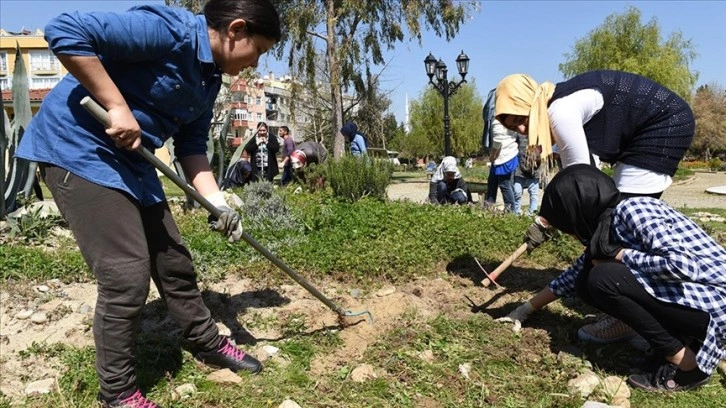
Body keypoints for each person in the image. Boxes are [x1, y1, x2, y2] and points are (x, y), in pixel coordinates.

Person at [14, 1, 281, 406]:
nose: (255, 63)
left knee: (174, 262)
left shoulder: (208, 79)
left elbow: (192, 146)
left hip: (134, 162)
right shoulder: (167, 31)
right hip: (78, 151)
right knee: (125, 276)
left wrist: (217, 203)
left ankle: (205, 341)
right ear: (236, 30)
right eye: (258, 50)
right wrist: (117, 105)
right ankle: (118, 393)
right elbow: (64, 29)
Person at [496, 70, 695, 343]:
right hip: (652, 127)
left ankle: (632, 318)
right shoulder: (558, 103)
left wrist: (555, 222)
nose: (520, 130)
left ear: (531, 104)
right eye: (512, 127)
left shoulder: (560, 112)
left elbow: (585, 185)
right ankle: (630, 300)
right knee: (610, 236)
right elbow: (582, 184)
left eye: (520, 119)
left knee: (615, 231)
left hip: (663, 126)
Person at [495, 165, 726, 392]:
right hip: (700, 302)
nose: (572, 235)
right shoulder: (605, 230)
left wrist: (622, 255)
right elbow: (570, 278)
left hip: (717, 300)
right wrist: (523, 310)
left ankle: (687, 366)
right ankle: (684, 344)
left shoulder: (634, 210)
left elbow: (683, 266)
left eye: (569, 227)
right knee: (587, 280)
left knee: (604, 278)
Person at [489, 119, 519, 212]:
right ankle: (489, 207)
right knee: (492, 181)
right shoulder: (510, 116)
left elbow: (498, 140)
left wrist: (492, 155)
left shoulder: (498, 120)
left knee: (504, 185)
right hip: (510, 153)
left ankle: (511, 212)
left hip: (503, 156)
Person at [512, 135, 542, 216]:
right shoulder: (519, 132)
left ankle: (532, 213)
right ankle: (516, 212)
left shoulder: (538, 132)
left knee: (533, 193)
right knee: (517, 191)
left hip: (534, 168)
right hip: (520, 167)